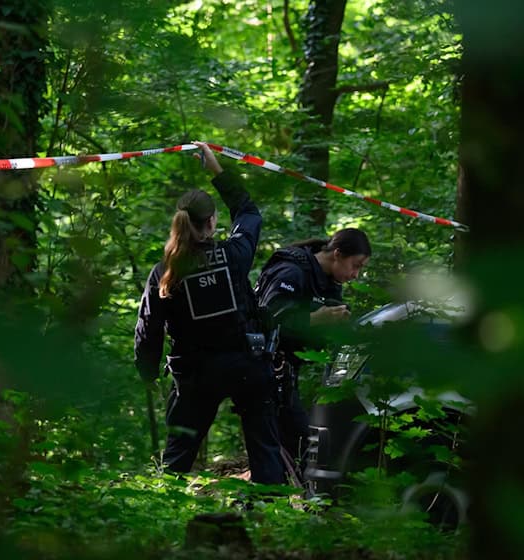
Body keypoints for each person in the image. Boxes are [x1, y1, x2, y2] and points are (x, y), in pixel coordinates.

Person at [134, 142, 284, 485]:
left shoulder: (164, 272)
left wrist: (148, 371)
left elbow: (148, 327)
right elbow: (248, 212)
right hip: (247, 363)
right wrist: (218, 170)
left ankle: (161, 516)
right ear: (213, 221)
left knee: (177, 456)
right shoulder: (234, 254)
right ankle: (269, 516)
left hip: (195, 374)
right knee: (264, 449)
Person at [253, 228, 372, 467]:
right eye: (355, 265)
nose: (356, 274)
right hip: (262, 369)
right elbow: (267, 318)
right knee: (297, 441)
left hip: (288, 371)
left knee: (286, 442)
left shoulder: (329, 282)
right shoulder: (292, 272)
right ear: (337, 254)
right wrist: (315, 319)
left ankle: (274, 494)